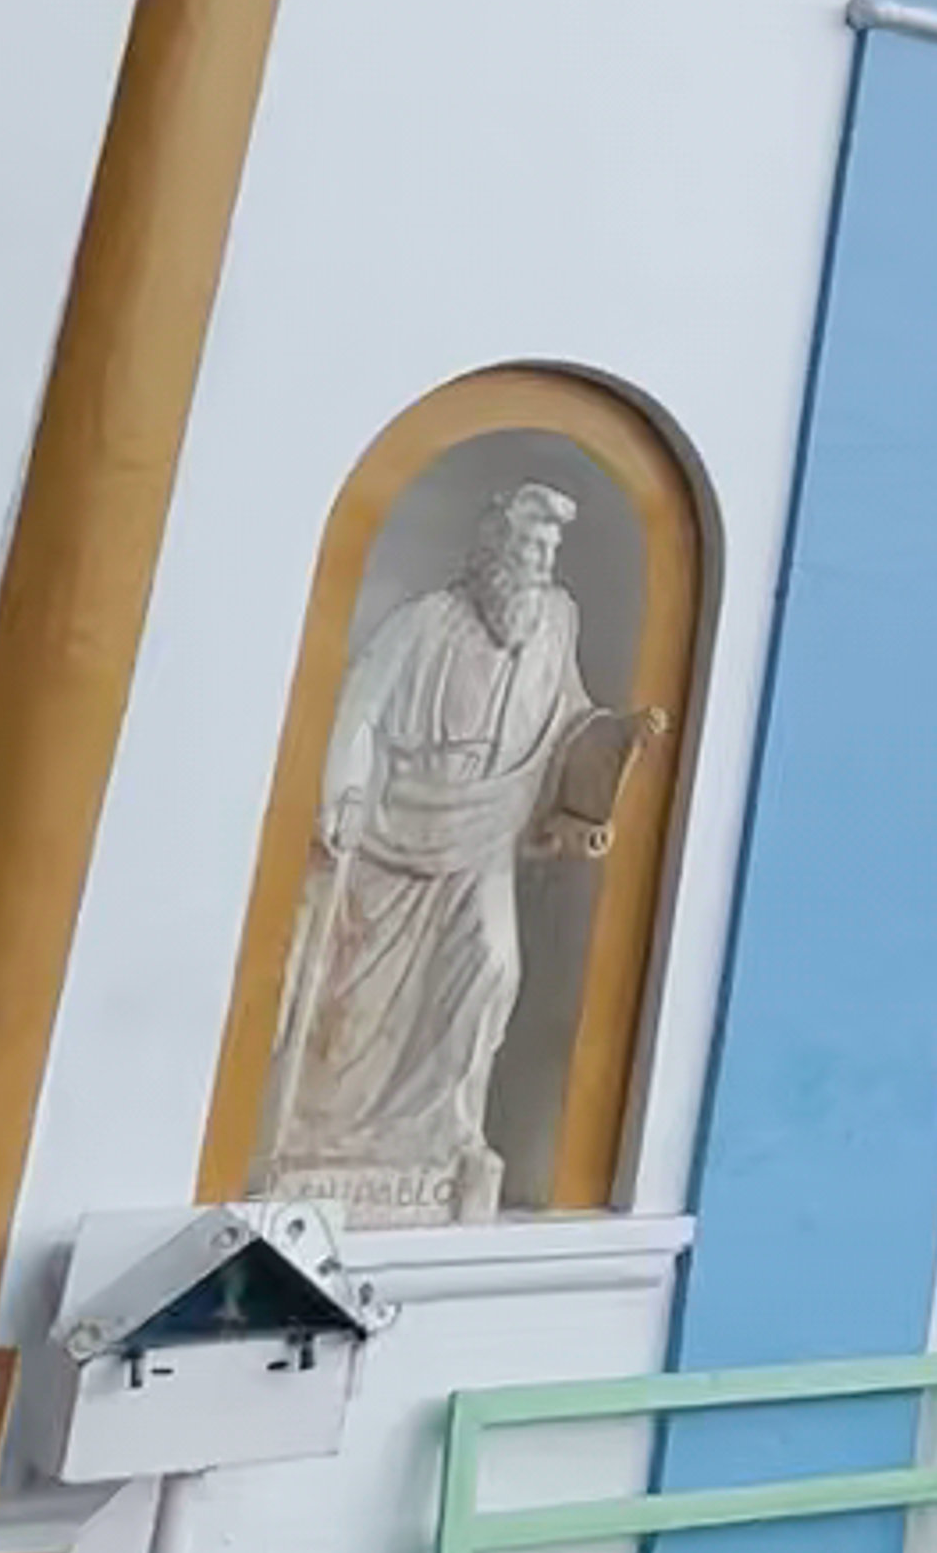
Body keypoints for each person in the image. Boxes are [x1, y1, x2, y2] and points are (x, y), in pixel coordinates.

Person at [259, 484, 661, 1220]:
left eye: (548, 551)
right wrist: (342, 796)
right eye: (528, 548)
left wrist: (609, 749)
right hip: (398, 823)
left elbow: (566, 715)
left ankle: (447, 1130)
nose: (539, 564)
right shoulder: (423, 622)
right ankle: (334, 1137)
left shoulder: (555, 623)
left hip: (489, 831)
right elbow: (360, 706)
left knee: (490, 967)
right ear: (494, 553)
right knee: (360, 994)